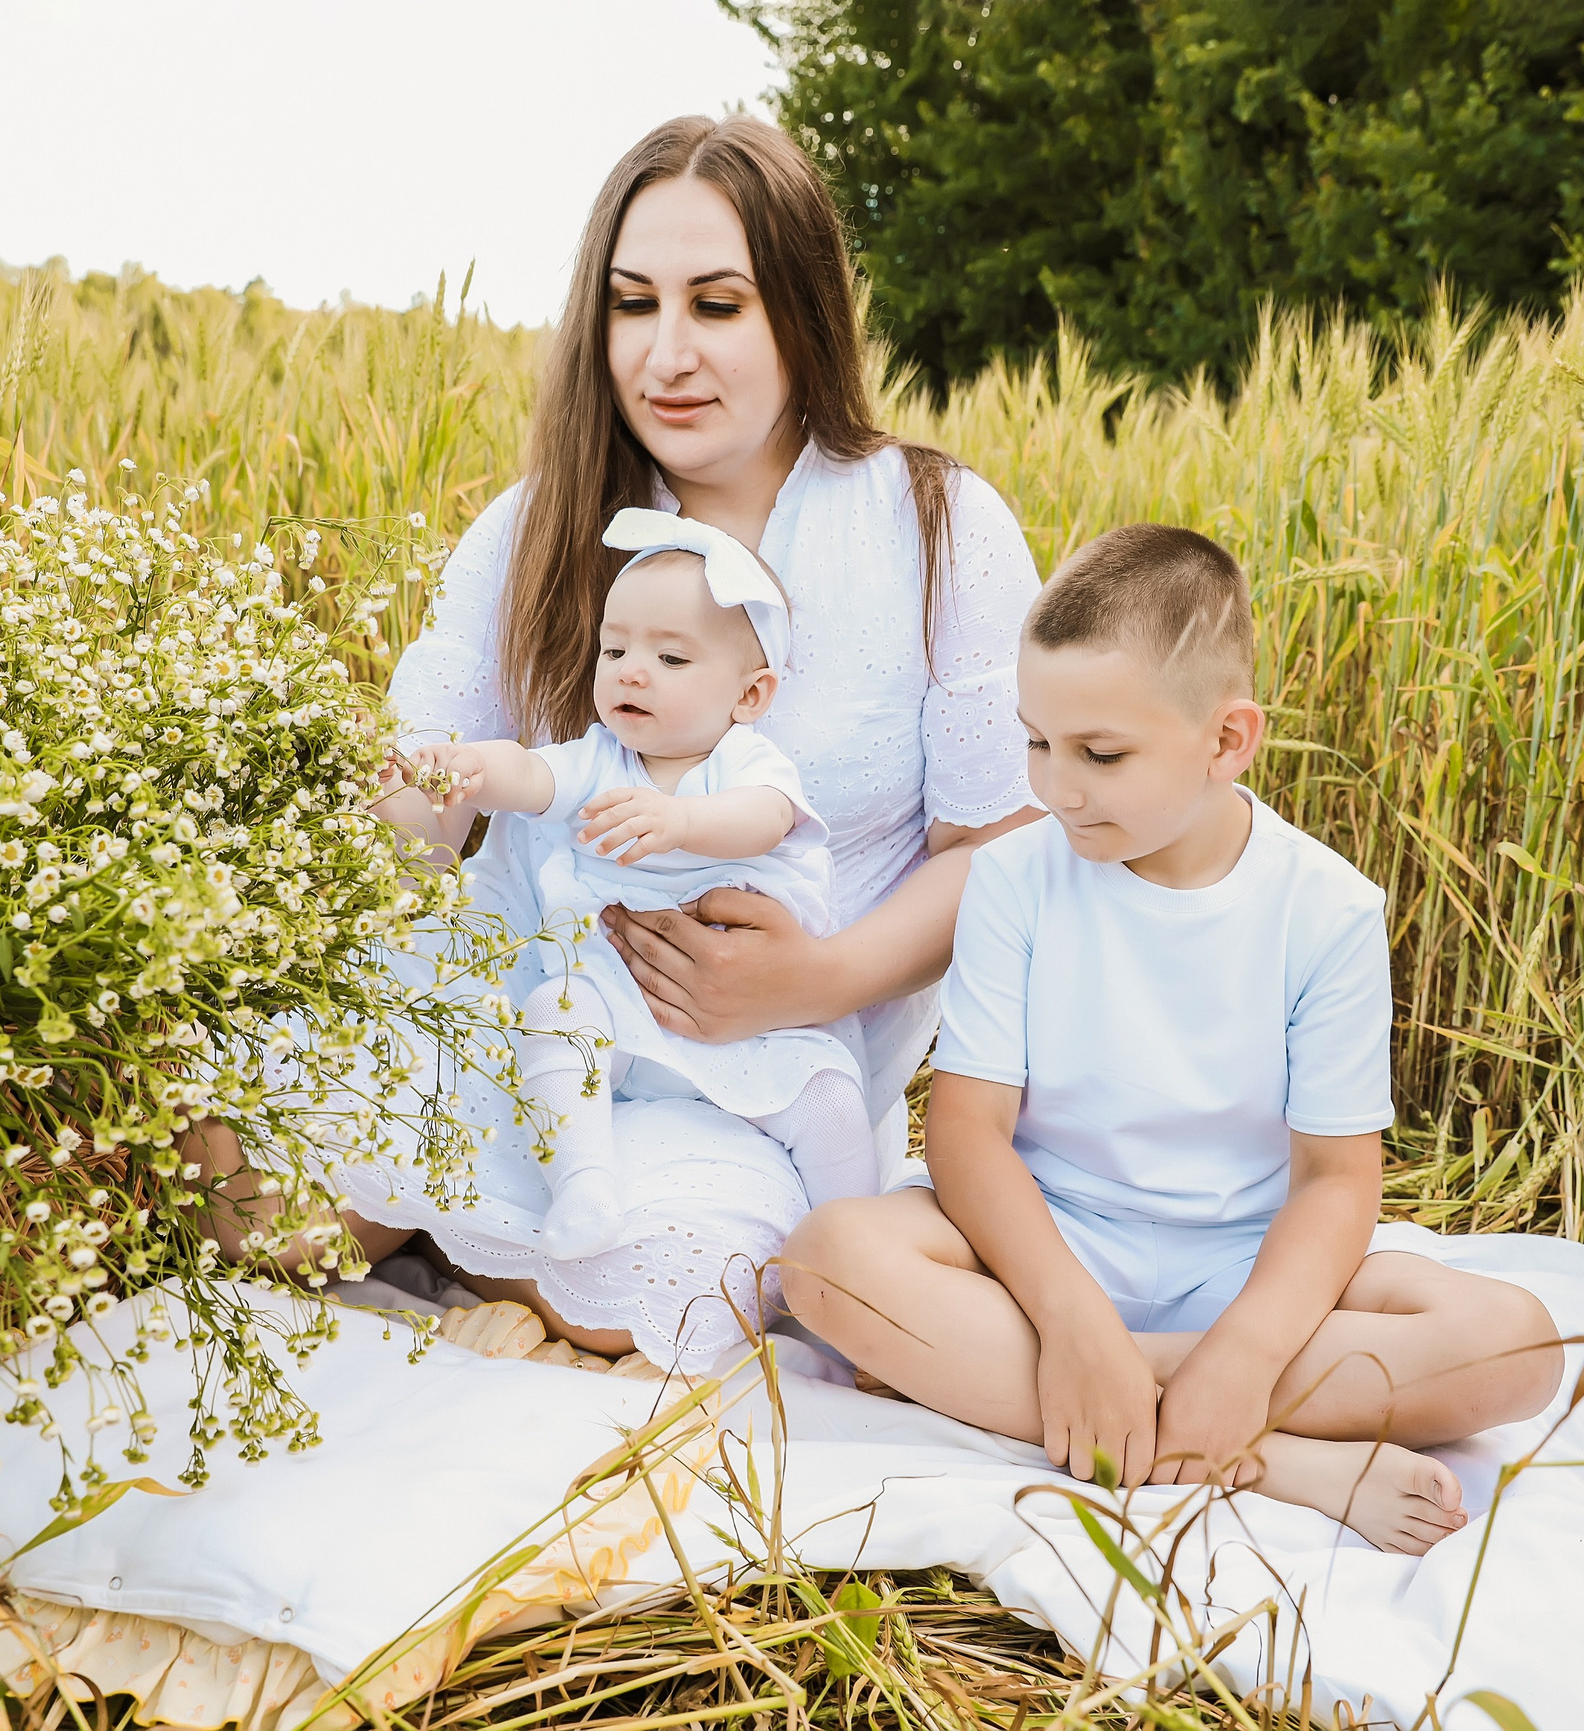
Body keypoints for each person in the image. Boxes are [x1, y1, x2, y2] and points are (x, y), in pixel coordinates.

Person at [187, 113, 1044, 1372]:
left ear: (802, 313)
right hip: (511, 1015)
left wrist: (818, 977)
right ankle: (451, 1216)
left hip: (753, 1082)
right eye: (633, 305)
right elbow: (427, 791)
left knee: (657, 1288)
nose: (668, 353)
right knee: (238, 1194)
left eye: (718, 304)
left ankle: (460, 1238)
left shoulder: (935, 525)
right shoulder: (538, 524)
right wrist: (332, 802)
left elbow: (1002, 842)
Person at [778, 526, 1565, 1554]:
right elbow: (967, 1134)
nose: (1055, 787)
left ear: (1227, 740)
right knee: (827, 1262)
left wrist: (1242, 1352)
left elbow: (1335, 1181)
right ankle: (1269, 1461)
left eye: (1099, 754)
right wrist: (1069, 1319)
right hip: (1041, 1249)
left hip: (1244, 1265)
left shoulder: (1323, 908)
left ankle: (1142, 1399)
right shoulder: (1015, 879)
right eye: (1035, 742)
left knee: (1520, 1349)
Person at [397, 511, 878, 1261]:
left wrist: (682, 821)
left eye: (671, 658)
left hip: (752, 1027)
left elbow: (765, 820)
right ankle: (584, 1184)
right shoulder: (600, 757)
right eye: (615, 648)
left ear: (749, 696)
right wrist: (479, 767)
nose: (630, 669)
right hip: (618, 1010)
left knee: (830, 1099)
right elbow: (534, 775)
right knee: (555, 1012)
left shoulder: (746, 764)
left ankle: (857, 1247)